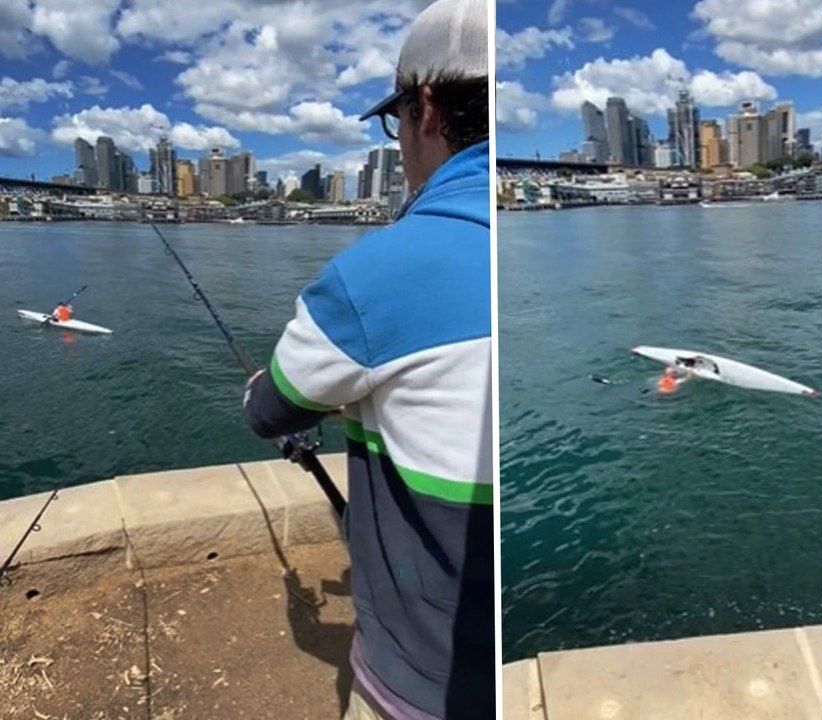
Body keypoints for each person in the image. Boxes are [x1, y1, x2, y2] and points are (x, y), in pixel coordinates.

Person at [241, 1, 492, 718]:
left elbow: (269, 411)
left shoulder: (372, 276)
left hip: (422, 688)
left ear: (429, 108)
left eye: (397, 120)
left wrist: (266, 388)